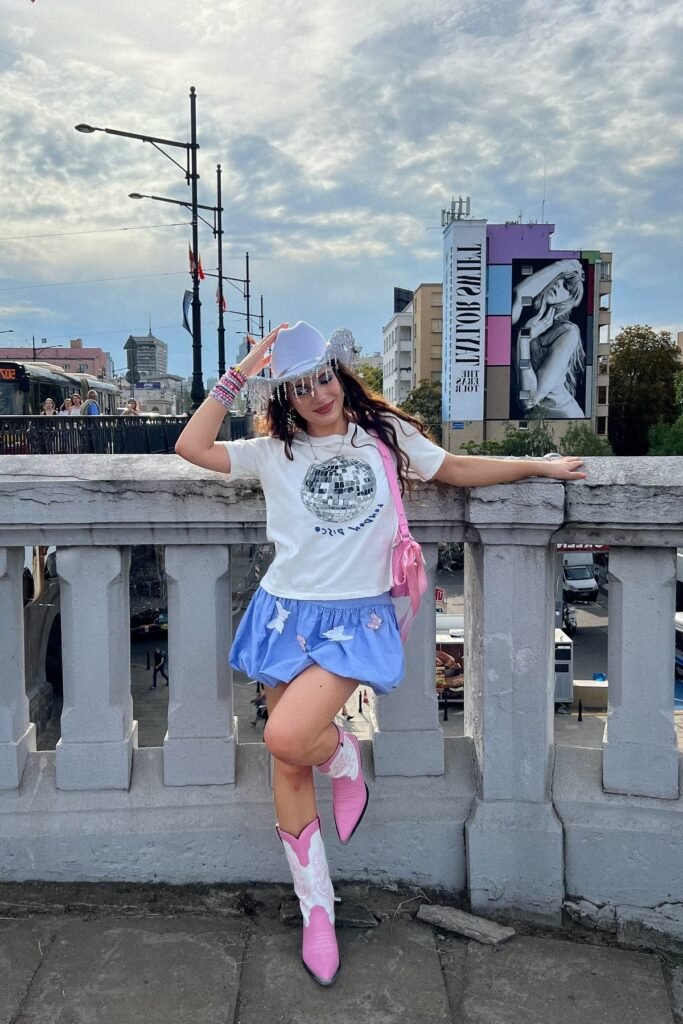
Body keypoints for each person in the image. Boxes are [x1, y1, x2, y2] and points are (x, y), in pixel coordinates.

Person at [174, 320, 586, 986]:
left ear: (341, 375)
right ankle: (317, 909)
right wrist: (245, 366)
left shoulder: (384, 438)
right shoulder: (270, 453)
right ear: (284, 397)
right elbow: (189, 446)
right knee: (288, 765)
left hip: (351, 618)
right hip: (284, 612)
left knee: (284, 738)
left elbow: (453, 468)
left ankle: (340, 754)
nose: (318, 394)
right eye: (300, 386)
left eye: (324, 378)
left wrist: (537, 464)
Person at [511, 258, 586, 418]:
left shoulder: (567, 332)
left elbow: (529, 400)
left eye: (567, 287)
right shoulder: (522, 316)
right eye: (559, 279)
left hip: (562, 419)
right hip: (529, 423)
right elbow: (519, 293)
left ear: (569, 299)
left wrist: (524, 339)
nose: (559, 285)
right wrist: (562, 266)